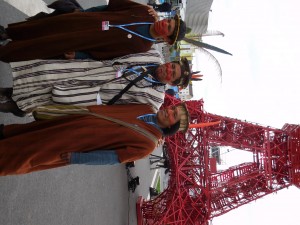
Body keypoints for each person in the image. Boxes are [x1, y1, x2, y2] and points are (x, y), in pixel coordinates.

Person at [0, 103, 190, 176]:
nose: (170, 110)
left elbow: (112, 157)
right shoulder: (147, 108)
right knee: (30, 132)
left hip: (75, 143)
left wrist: (77, 158)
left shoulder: (148, 144)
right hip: (74, 120)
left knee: (30, 153)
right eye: (174, 108)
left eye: (174, 115)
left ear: (170, 127)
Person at [0, 52, 193, 116]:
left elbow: (124, 115)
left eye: (172, 73)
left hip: (89, 96)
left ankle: (10, 104)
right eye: (171, 66)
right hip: (89, 69)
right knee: (42, 76)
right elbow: (115, 50)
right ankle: (7, 92)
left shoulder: (155, 101)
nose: (167, 69)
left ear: (172, 83)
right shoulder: (153, 55)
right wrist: (81, 55)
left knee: (43, 100)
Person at [0, 0, 187, 62]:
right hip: (80, 20)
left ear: (167, 38)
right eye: (168, 21)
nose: (165, 24)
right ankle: (7, 34)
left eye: (168, 28)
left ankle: (6, 52)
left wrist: (79, 55)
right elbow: (108, 8)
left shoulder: (143, 46)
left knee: (40, 46)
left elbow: (107, 57)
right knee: (40, 27)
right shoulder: (145, 12)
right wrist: (82, 12)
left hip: (80, 42)